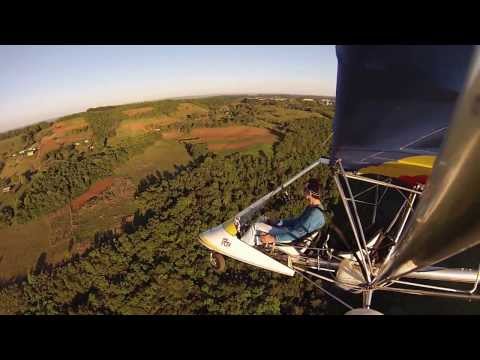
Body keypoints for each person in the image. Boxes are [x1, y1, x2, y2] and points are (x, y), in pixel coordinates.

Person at [240, 179, 326, 247]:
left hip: (290, 237)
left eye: (305, 189)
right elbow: (296, 221)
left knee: (256, 226)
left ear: (310, 193)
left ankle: (240, 246)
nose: (303, 191)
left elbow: (297, 233)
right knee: (263, 219)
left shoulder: (315, 214)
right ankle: (249, 239)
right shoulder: (313, 208)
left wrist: (273, 238)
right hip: (289, 230)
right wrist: (279, 222)